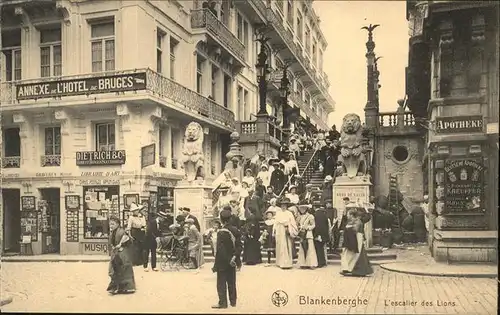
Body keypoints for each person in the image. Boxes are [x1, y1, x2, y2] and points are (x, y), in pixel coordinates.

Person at [212, 209, 239, 309]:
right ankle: (233, 302)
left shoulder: (221, 232)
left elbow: (220, 250)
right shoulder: (235, 230)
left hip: (223, 262)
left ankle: (222, 303)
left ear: (222, 220)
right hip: (233, 260)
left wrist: (227, 260)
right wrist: (234, 258)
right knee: (232, 282)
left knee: (221, 283)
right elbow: (239, 246)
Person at [107, 215, 136, 295]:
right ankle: (118, 287)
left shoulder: (122, 231)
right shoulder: (113, 232)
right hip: (116, 253)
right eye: (110, 224)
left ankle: (123, 288)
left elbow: (128, 241)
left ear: (117, 224)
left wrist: (122, 246)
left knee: (121, 270)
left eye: (112, 224)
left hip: (122, 254)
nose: (111, 226)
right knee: (114, 270)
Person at [340, 210, 373, 277]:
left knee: (358, 254)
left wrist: (366, 210)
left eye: (348, 214)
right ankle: (349, 269)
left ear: (352, 215)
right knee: (354, 254)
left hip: (357, 238)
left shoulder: (358, 221)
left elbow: (355, 230)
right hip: (353, 239)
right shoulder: (351, 221)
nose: (347, 215)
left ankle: (358, 270)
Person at [273, 198, 298, 269]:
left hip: (286, 229)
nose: (283, 207)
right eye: (282, 205)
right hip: (279, 230)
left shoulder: (289, 213)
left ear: (287, 206)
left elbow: (293, 222)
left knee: (286, 246)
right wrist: (274, 230)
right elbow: (275, 222)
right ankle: (280, 262)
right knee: (280, 245)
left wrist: (288, 225)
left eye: (285, 205)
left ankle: (287, 263)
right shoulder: (278, 213)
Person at [296, 204, 318, 269]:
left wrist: (307, 227)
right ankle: (303, 263)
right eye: (301, 208)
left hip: (308, 234)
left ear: (306, 209)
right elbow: (297, 225)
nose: (302, 210)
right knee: (302, 249)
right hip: (302, 234)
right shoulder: (299, 217)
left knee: (310, 249)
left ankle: (311, 263)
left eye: (303, 208)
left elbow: (313, 225)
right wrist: (300, 227)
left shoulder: (310, 216)